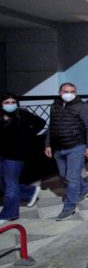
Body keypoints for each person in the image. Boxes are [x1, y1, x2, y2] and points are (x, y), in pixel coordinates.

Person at [44, 83, 88, 221]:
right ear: (60, 92)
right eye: (66, 91)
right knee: (64, 176)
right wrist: (48, 144)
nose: (69, 94)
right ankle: (85, 189)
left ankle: (69, 207)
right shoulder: (54, 106)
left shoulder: (83, 107)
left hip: (76, 147)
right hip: (58, 148)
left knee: (72, 178)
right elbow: (51, 127)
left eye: (72, 91)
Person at [0, 93, 45, 224]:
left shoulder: (23, 114)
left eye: (13, 102)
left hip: (16, 155)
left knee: (11, 183)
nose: (10, 104)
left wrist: (27, 136)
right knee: (3, 183)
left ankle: (9, 213)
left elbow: (41, 123)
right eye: (7, 102)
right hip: (2, 154)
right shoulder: (1, 116)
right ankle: (29, 191)